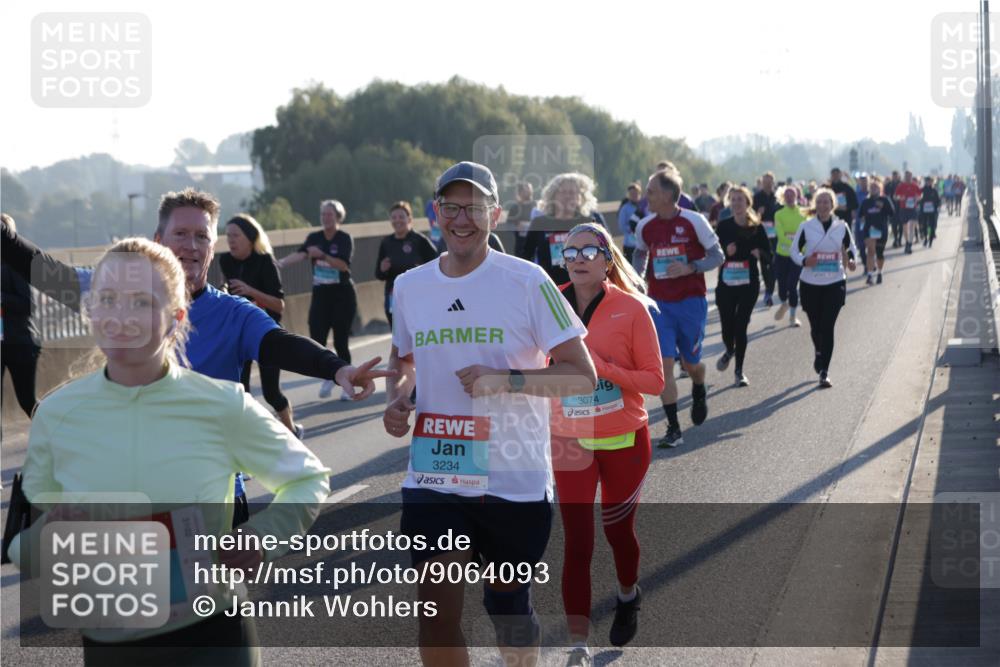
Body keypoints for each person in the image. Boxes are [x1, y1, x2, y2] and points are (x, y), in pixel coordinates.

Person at [9, 237, 331, 666]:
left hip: (213, 634)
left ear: (175, 318)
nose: (121, 316)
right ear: (91, 311)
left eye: (141, 302)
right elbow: (24, 544)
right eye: (107, 299)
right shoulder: (55, 414)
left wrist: (260, 538)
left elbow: (307, 478)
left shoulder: (223, 403)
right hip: (111, 643)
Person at [2, 191, 390, 515]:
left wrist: (337, 369)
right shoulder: (118, 291)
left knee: (210, 603)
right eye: (181, 234)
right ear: (158, 239)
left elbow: (280, 344)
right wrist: (5, 235)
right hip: (132, 494)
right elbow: (51, 276)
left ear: (212, 245)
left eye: (201, 237)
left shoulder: (233, 313)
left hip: (211, 497)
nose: (190, 246)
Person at [382, 161, 596, 667]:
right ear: (436, 214)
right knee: (435, 610)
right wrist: (400, 400)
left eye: (474, 208)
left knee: (508, 609)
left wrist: (505, 380)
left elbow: (581, 375)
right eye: (451, 207)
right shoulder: (411, 286)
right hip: (437, 470)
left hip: (513, 476)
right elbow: (406, 362)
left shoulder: (527, 281)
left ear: (494, 215)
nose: (462, 219)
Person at [549, 223, 664, 665]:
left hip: (624, 439)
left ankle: (628, 593)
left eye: (588, 250)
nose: (577, 258)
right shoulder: (548, 304)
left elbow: (654, 381)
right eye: (569, 250)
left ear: (606, 259)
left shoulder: (631, 309)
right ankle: (578, 641)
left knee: (617, 531)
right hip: (569, 440)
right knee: (577, 541)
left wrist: (602, 369)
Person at [632, 170, 724, 448]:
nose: (647, 197)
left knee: (692, 364)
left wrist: (690, 267)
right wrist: (637, 279)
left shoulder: (694, 221)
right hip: (660, 305)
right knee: (663, 365)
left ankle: (699, 385)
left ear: (668, 195)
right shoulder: (645, 226)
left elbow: (717, 256)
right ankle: (674, 428)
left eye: (651, 191)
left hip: (691, 302)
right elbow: (639, 253)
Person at [219, 213, 302, 438]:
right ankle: (247, 447)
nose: (231, 240)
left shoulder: (265, 261)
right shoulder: (225, 261)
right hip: (239, 332)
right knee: (240, 392)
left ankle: (292, 431)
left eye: (236, 235)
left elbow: (279, 305)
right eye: (228, 236)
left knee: (271, 393)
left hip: (265, 332)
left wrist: (250, 291)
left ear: (250, 238)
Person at [279, 199, 358, 400]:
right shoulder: (314, 237)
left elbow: (343, 266)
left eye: (330, 214)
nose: (326, 218)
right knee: (318, 338)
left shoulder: (344, 238)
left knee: (341, 341)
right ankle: (331, 375)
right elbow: (301, 254)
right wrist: (280, 263)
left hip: (342, 294)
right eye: (323, 214)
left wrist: (322, 255)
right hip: (321, 294)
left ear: (338, 217)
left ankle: (348, 384)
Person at [790, 188, 858, 388]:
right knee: (815, 326)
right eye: (819, 202)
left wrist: (852, 260)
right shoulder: (806, 226)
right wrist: (804, 261)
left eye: (826, 202)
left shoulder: (841, 226)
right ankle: (818, 351)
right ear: (814, 205)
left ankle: (825, 371)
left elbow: (851, 247)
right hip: (810, 283)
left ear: (832, 204)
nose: (822, 206)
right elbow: (794, 251)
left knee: (827, 327)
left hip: (835, 281)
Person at [714, 186, 772, 386]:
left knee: (741, 327)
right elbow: (713, 254)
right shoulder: (723, 226)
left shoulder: (756, 227)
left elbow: (769, 256)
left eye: (741, 199)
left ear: (748, 203)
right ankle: (729, 349)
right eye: (734, 199)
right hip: (726, 284)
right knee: (726, 328)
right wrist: (724, 251)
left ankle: (739, 371)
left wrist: (760, 254)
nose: (737, 203)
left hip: (748, 284)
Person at [520, 172, 605, 286]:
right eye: (563, 192)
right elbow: (525, 257)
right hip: (549, 288)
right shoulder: (540, 223)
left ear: (581, 197)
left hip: (585, 288)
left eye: (572, 192)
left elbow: (606, 255)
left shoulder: (589, 222)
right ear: (553, 196)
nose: (567, 196)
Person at [1, 213, 41, 418]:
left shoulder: (17, 265)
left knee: (27, 402)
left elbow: (27, 304)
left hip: (20, 343)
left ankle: (60, 437)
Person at [374, 201, 439, 327]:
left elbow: (437, 267)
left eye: (401, 217)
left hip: (418, 296)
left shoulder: (420, 241)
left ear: (409, 219)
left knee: (417, 334)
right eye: (394, 217)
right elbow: (379, 275)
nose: (397, 221)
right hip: (394, 296)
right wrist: (382, 269)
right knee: (398, 339)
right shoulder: (386, 243)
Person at [772, 185, 807, 326]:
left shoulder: (804, 214)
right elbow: (780, 234)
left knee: (792, 285)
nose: (789, 197)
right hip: (782, 254)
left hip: (798, 256)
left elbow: (806, 234)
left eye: (792, 194)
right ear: (783, 197)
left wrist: (799, 246)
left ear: (797, 196)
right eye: (787, 195)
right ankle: (783, 303)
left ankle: (793, 317)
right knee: (781, 287)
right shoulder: (779, 214)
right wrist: (795, 241)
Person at [857, 178, 895, 285]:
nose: (873, 189)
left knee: (879, 253)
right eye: (872, 187)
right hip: (869, 230)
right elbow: (860, 215)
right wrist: (863, 219)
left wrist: (883, 207)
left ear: (880, 188)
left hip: (881, 229)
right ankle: (869, 275)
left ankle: (879, 272)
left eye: (876, 187)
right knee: (870, 251)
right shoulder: (866, 202)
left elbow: (892, 213)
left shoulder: (885, 200)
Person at [752, 172, 780, 307]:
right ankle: (768, 290)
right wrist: (758, 213)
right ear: (762, 183)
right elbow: (750, 216)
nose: (768, 184)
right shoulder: (756, 198)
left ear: (773, 183)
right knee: (764, 264)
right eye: (765, 182)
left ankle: (769, 290)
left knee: (774, 263)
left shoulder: (777, 197)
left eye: (770, 182)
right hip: (761, 234)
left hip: (776, 235)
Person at [507, 182, 536, 259]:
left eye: (530, 190)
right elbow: (509, 224)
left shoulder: (536, 205)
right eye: (525, 190)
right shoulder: (515, 207)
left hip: (535, 242)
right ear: (520, 192)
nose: (529, 192)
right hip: (520, 244)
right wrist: (516, 226)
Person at [616, 183, 644, 263]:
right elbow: (622, 226)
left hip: (643, 244)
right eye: (631, 194)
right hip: (630, 245)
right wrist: (633, 228)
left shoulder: (644, 206)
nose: (634, 195)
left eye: (636, 193)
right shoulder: (625, 208)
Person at [919, 176, 941, 247]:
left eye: (930, 181)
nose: (928, 183)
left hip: (932, 212)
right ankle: (925, 238)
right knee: (924, 225)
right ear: (925, 182)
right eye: (927, 181)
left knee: (932, 226)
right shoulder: (922, 190)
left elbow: (938, 200)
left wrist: (937, 206)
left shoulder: (934, 190)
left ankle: (930, 240)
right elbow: (918, 199)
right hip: (924, 211)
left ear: (932, 182)